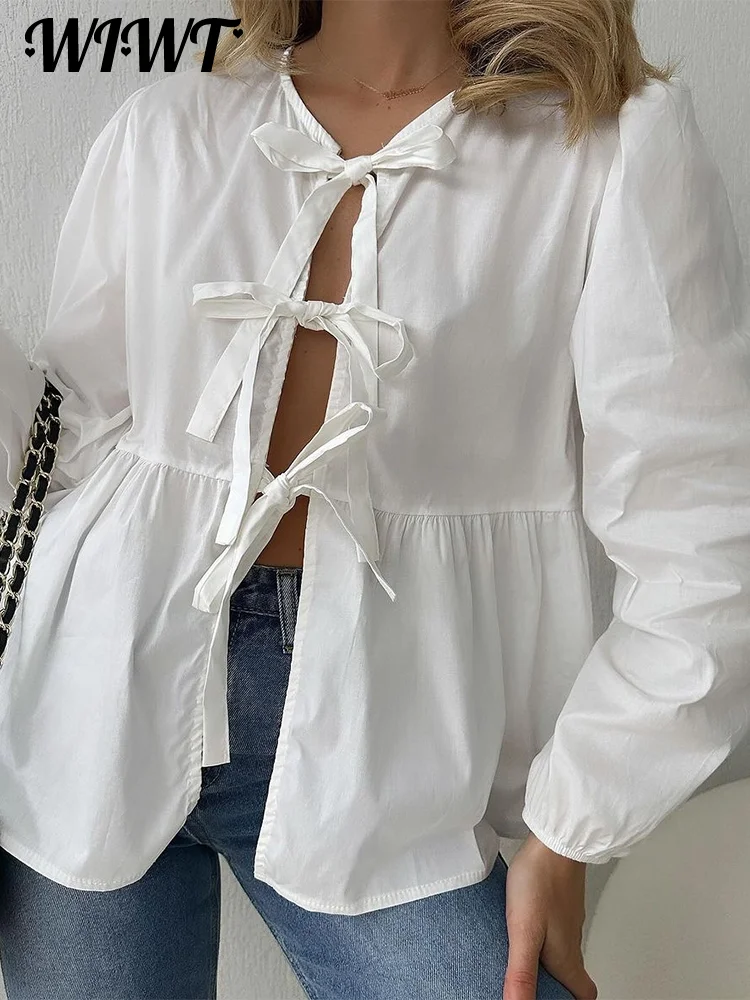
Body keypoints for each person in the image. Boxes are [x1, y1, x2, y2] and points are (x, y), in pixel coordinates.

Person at [0, 0, 749, 997]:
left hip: (388, 738)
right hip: (92, 697)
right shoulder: (172, 126)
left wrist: (574, 825)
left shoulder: (604, 143)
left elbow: (702, 528)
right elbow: (73, 441)